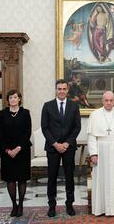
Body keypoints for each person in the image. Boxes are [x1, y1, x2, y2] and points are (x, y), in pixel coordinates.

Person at [41, 79, 81, 217]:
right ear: (56, 90)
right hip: (53, 148)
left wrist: (67, 143)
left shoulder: (74, 106)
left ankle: (69, 204)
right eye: (59, 89)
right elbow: (44, 128)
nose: (62, 91)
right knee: (52, 177)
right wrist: (55, 144)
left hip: (68, 147)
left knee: (70, 177)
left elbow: (77, 127)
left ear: (68, 90)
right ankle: (52, 206)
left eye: (64, 89)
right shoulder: (47, 106)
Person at [0, 89, 32, 217]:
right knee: (10, 180)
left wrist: (18, 148)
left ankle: (21, 204)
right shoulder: (2, 114)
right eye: (10, 97)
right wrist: (7, 150)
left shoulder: (25, 113)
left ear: (19, 99)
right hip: (7, 152)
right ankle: (14, 205)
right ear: (8, 100)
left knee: (22, 179)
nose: (13, 99)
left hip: (22, 151)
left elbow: (27, 132)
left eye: (15, 97)